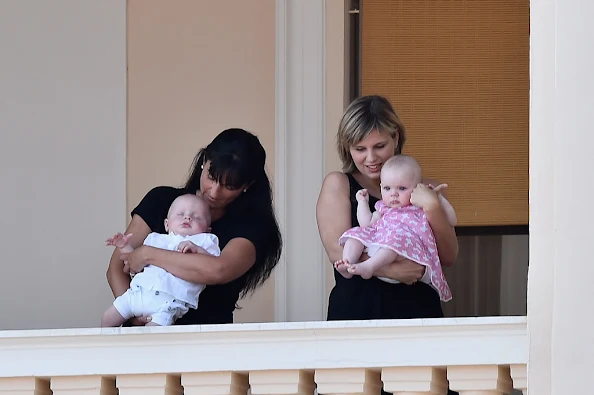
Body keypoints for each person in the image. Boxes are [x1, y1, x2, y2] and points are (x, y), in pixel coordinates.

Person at [106, 128, 282, 326]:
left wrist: (148, 254)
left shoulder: (252, 226)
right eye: (212, 177)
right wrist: (134, 316)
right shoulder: (160, 200)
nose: (215, 192)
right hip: (140, 333)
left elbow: (219, 270)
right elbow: (116, 268)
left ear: (247, 185)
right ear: (204, 162)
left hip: (206, 340)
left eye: (229, 186)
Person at [317, 95, 459, 321]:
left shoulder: (425, 189)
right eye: (360, 149)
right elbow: (337, 250)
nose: (370, 158)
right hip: (358, 311)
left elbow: (449, 256)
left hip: (417, 311)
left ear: (396, 137)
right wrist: (394, 270)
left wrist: (432, 206)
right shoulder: (339, 184)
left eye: (379, 146)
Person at [335, 154, 455, 303]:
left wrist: (438, 199)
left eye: (402, 188)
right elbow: (366, 223)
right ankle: (348, 264)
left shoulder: (419, 207)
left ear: (418, 188)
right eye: (387, 188)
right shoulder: (383, 208)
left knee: (393, 242)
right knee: (356, 235)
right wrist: (362, 203)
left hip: (406, 250)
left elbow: (452, 220)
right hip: (381, 246)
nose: (393, 194)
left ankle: (368, 267)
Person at [101, 194, 220, 327]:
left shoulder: (205, 241)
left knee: (153, 336)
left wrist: (198, 250)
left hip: (168, 305)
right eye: (180, 214)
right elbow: (135, 264)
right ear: (167, 224)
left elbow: (213, 265)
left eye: (197, 217)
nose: (187, 217)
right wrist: (124, 247)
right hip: (137, 295)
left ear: (207, 230)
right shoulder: (154, 239)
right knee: (107, 318)